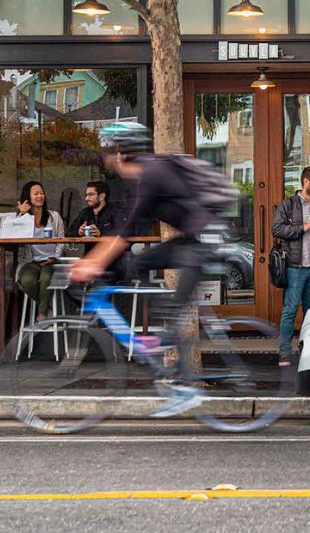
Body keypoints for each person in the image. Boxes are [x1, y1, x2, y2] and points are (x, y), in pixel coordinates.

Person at [69, 122, 222, 417]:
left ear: (120, 153)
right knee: (136, 263)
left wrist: (91, 264)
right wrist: (95, 264)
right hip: (193, 239)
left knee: (172, 309)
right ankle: (157, 340)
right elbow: (126, 232)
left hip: (208, 241)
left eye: (109, 152)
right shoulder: (143, 177)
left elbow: (125, 231)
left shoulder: (152, 174)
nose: (108, 159)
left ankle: (185, 389)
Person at [272, 166, 310, 367]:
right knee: (290, 310)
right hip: (295, 267)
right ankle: (284, 352)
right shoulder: (288, 205)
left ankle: (307, 351)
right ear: (306, 182)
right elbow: (276, 229)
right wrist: (302, 228)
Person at [3, 181, 65, 319]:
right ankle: (46, 308)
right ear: (28, 197)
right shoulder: (21, 218)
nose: (40, 196)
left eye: (42, 193)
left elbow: (62, 240)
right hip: (30, 262)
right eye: (36, 193)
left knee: (46, 278)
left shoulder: (54, 217)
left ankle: (42, 314)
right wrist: (22, 215)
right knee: (27, 280)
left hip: (51, 260)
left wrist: (55, 257)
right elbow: (13, 238)